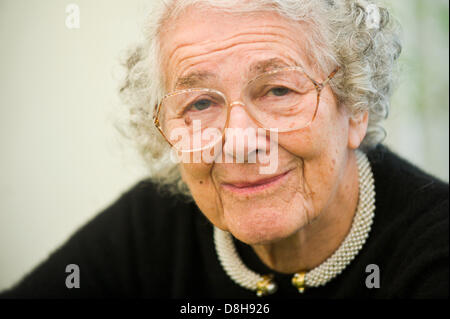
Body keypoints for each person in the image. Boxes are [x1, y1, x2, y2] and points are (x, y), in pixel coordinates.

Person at [1, 0, 448, 299]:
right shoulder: (153, 225)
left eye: (277, 90)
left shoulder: (432, 251)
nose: (239, 142)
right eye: (199, 103)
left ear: (354, 108)